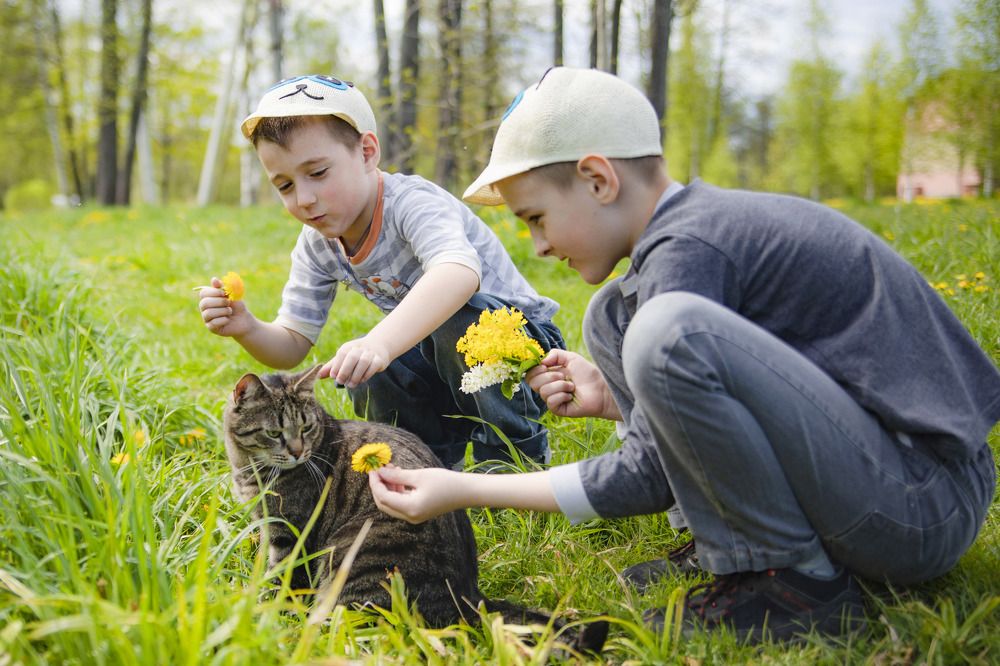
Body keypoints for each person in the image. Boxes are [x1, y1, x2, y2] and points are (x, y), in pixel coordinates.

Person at [368, 67, 1000, 643]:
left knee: (663, 327)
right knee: (615, 315)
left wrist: (462, 489)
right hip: (880, 481)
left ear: (597, 179)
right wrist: (617, 403)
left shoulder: (694, 248)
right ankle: (729, 548)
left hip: (923, 505)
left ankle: (798, 585)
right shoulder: (674, 249)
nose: (537, 246)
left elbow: (645, 476)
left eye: (536, 218)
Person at [197, 74, 564, 469]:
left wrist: (380, 343)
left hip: (526, 354)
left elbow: (457, 274)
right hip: (442, 362)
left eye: (318, 173)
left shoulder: (411, 204)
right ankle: (422, 463)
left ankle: (513, 459)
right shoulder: (318, 241)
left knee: (444, 322)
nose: (304, 199)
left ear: (367, 153)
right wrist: (247, 327)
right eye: (284, 186)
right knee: (367, 368)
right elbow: (292, 343)